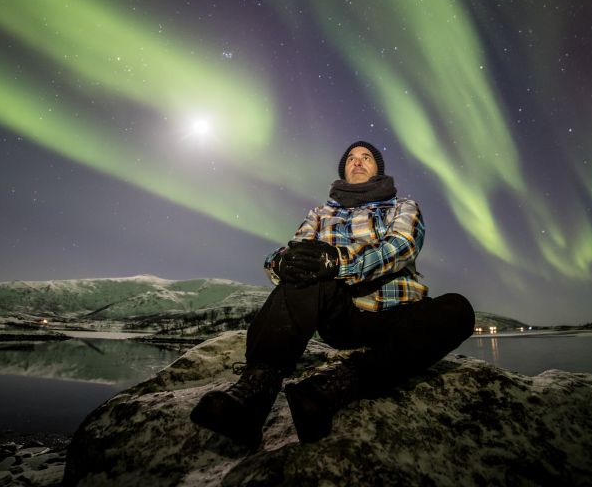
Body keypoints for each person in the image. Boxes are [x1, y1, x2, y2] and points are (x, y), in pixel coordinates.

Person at [190, 140, 475, 448]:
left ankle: (329, 390)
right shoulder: (320, 213)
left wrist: (338, 262)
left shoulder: (402, 207)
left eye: (366, 157)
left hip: (397, 314)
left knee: (457, 310)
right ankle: (255, 392)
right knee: (305, 263)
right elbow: (294, 250)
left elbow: (401, 247)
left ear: (378, 168)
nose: (358, 161)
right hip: (341, 315)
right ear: (343, 170)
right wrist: (281, 262)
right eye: (351, 158)